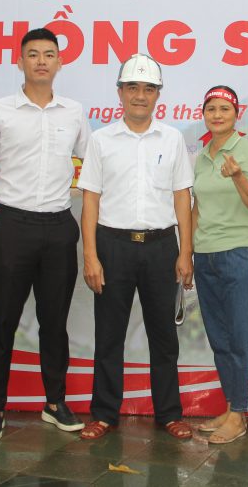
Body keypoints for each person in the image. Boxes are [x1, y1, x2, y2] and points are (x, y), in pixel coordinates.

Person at [0, 28, 91, 442]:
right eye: (33, 54)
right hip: (12, 225)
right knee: (2, 321)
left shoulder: (74, 112)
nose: (41, 61)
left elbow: (91, 163)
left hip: (58, 225)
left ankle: (55, 402)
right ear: (19, 61)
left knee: (54, 322)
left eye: (49, 54)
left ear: (60, 62)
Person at [76, 53, 195, 441]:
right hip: (113, 246)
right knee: (109, 336)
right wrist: (90, 255)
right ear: (120, 92)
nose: (140, 96)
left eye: (148, 88)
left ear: (158, 94)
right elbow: (90, 199)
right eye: (132, 88)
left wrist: (185, 252)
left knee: (164, 337)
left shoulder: (172, 138)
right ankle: (104, 413)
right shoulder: (101, 140)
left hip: (161, 247)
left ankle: (169, 413)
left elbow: (182, 197)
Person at [191, 85, 248, 444]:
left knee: (241, 337)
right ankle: (230, 406)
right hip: (205, 254)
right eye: (211, 109)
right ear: (203, 115)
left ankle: (239, 415)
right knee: (220, 339)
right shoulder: (202, 156)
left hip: (241, 252)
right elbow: (197, 208)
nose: (217, 115)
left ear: (236, 114)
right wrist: (187, 253)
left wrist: (238, 176)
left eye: (224, 109)